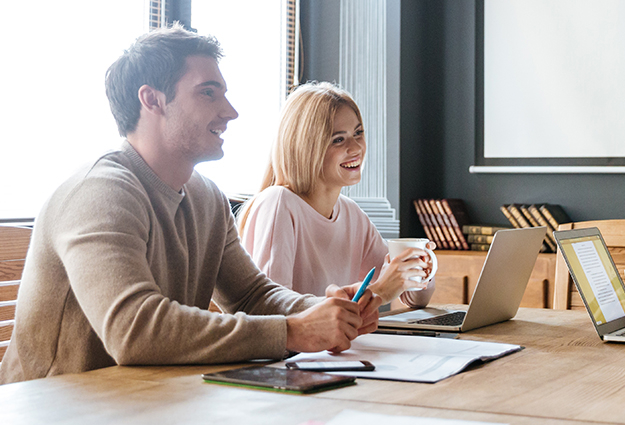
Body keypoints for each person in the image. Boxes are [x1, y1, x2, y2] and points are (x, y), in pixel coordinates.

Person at [0, 24, 381, 385]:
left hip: (148, 400)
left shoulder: (205, 197)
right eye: (208, 93)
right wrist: (294, 331)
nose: (230, 111)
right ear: (152, 100)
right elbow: (134, 329)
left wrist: (322, 312)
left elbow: (252, 296)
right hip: (55, 408)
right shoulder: (98, 193)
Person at [237, 82, 435, 308]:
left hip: (339, 344)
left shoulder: (351, 214)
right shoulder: (279, 203)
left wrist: (421, 271)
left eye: (358, 133)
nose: (356, 148)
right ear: (306, 148)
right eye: (338, 139)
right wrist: (379, 291)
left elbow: (412, 299)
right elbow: (273, 313)